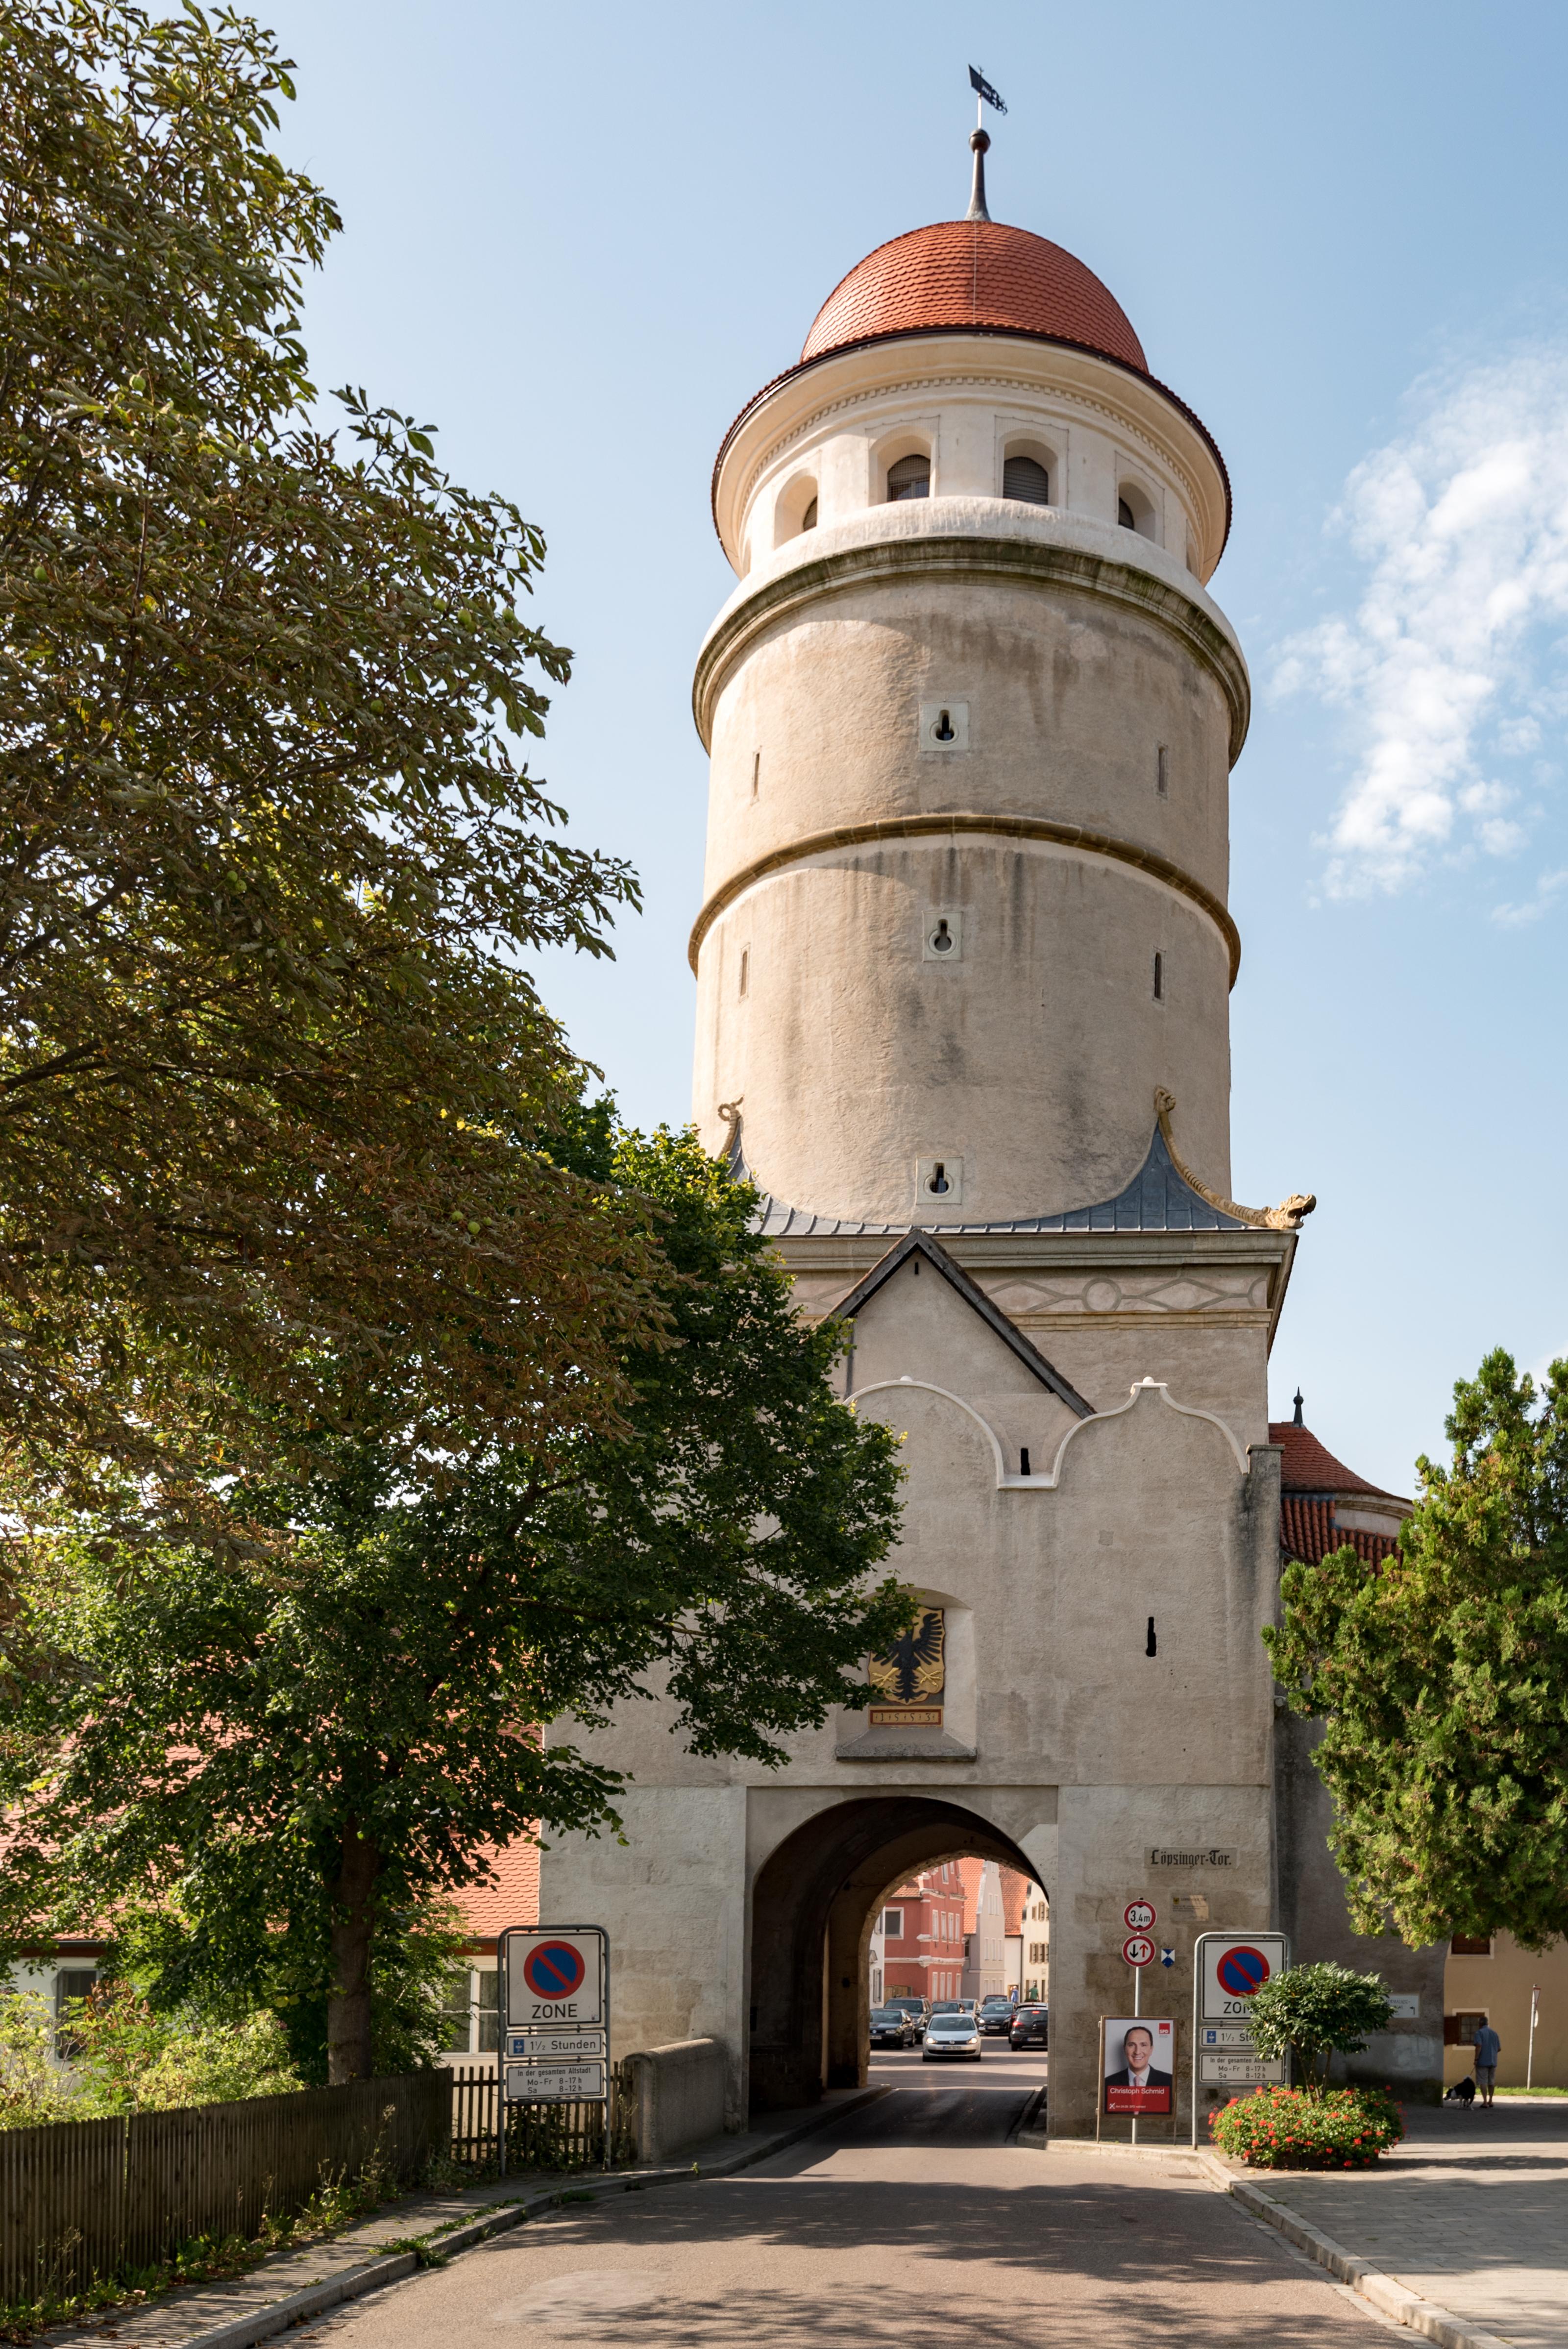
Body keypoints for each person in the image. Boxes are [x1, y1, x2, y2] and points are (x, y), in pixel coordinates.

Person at [1104, 2024, 1173, 2093]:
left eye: (1143, 2045)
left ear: (1151, 2049)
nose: (1137, 2052)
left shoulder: (1170, 2081)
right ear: (1125, 2049)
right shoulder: (1108, 2083)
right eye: (1132, 2045)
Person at [1472, 2019, 1500, 2107]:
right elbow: (1499, 2049)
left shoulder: (1479, 2033)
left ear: (1479, 2024)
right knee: (1491, 2082)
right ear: (1487, 2024)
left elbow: (1479, 2046)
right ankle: (1491, 2101)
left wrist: (1476, 2059)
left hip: (1482, 2061)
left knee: (1483, 2081)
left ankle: (1485, 2102)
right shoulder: (1495, 2034)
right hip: (1493, 2061)